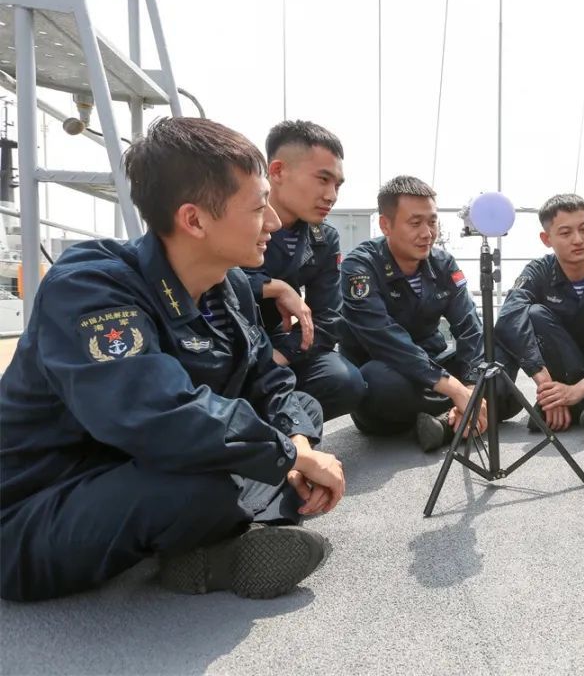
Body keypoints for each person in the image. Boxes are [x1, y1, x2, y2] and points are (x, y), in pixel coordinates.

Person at [0, 118, 345, 602]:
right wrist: (291, 456)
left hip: (141, 467)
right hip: (35, 511)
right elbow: (159, 414)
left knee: (301, 410)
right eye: (257, 206)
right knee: (206, 488)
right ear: (195, 220)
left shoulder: (228, 286)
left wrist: (296, 443)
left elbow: (270, 382)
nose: (271, 221)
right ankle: (221, 540)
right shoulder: (91, 288)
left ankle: (209, 540)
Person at [338, 175, 488, 451]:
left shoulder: (443, 263)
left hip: (435, 364)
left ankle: (445, 423)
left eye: (432, 221)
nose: (427, 233)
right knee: (377, 382)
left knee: (494, 361)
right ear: (386, 225)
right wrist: (454, 389)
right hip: (388, 368)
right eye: (415, 223)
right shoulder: (359, 267)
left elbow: (469, 326)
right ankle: (463, 413)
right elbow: (385, 339)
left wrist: (470, 385)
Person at [243, 120, 367, 420]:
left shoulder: (324, 239)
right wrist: (272, 287)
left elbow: (328, 319)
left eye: (337, 185)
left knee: (346, 382)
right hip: (229, 342)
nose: (331, 195)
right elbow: (208, 281)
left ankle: (281, 424)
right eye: (323, 179)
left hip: (279, 346)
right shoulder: (235, 220)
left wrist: (281, 355)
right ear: (277, 171)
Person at [495, 193, 584, 432]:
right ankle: (569, 401)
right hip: (562, 376)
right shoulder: (539, 271)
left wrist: (579, 388)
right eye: (565, 233)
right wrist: (545, 383)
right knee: (534, 314)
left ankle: (580, 400)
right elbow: (509, 317)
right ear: (546, 239)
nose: (578, 240)